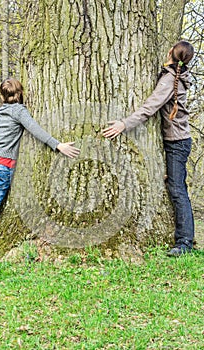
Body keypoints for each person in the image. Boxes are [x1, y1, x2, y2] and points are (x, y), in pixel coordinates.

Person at [102, 40, 195, 257]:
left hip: (177, 142)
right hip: (176, 141)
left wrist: (124, 124)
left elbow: (149, 108)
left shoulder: (171, 79)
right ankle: (184, 240)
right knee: (176, 187)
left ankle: (184, 243)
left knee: (177, 190)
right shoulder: (172, 76)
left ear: (172, 52)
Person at [0, 78, 80, 259]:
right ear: (20, 93)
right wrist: (57, 145)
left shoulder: (2, 111)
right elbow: (35, 129)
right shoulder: (19, 111)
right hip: (3, 165)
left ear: (1, 96)